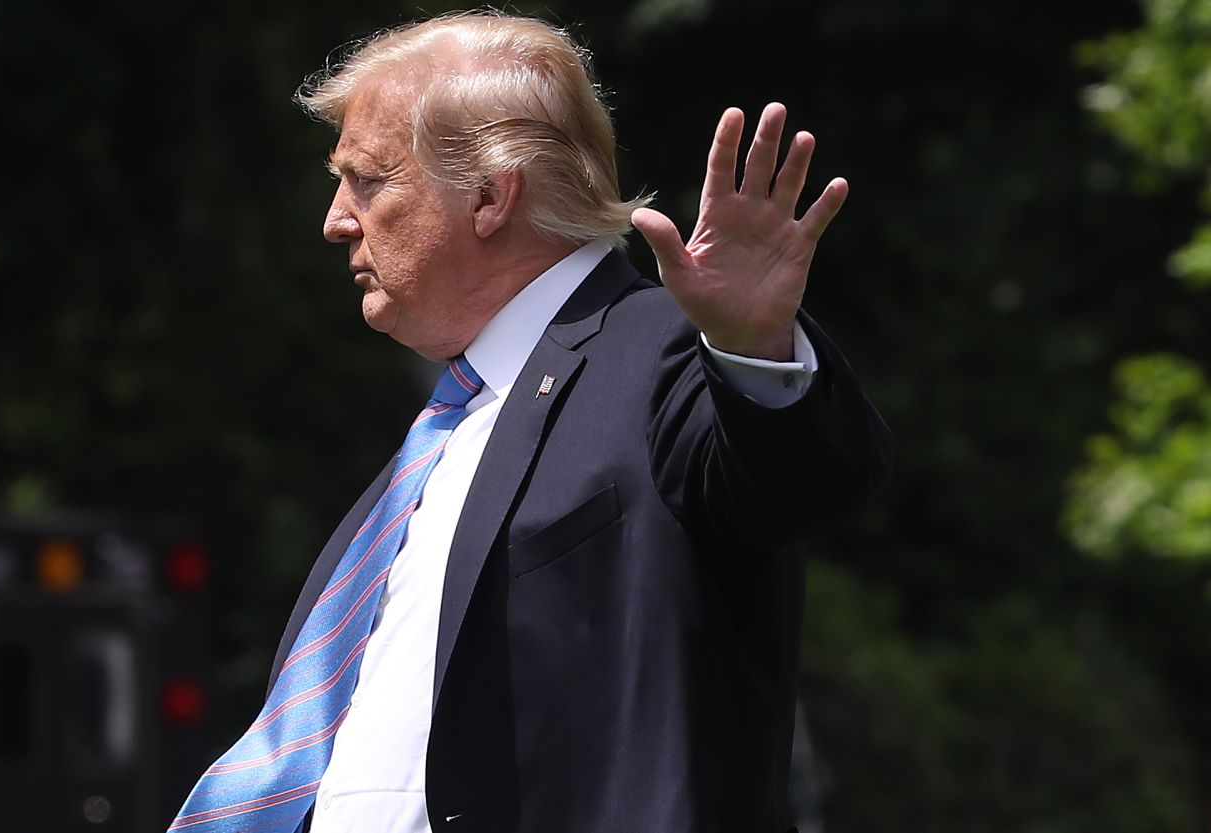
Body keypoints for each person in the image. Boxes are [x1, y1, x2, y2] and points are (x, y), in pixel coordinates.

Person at [171, 11, 892, 833]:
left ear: (487, 196)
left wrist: (754, 345)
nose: (337, 218)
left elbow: (801, 481)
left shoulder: (661, 349)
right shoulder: (442, 432)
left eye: (366, 179)